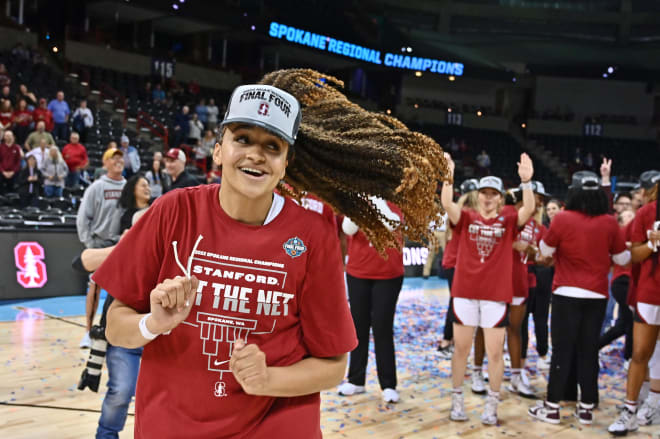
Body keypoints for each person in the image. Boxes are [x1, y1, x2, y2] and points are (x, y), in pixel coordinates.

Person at [92, 69, 448, 438]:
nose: (256, 155)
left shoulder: (312, 236)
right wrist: (153, 323)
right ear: (218, 149)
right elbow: (117, 326)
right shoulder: (172, 211)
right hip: (172, 425)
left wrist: (267, 379)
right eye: (242, 138)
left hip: (274, 425)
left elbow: (333, 366)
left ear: (286, 163)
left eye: (272, 146)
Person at [528, 171, 629, 426]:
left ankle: (552, 408)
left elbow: (545, 251)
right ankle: (586, 409)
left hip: (565, 293)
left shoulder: (562, 219)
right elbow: (622, 260)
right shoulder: (609, 222)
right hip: (596, 295)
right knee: (587, 352)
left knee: (562, 352)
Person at [441, 152, 535, 425]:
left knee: (495, 353)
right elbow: (447, 203)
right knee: (461, 349)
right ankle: (457, 399)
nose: (489, 197)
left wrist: (527, 182)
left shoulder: (507, 220)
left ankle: (492, 405)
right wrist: (449, 175)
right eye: (484, 192)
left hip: (495, 296)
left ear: (501, 198)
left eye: (494, 193)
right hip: (465, 293)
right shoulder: (467, 217)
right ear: (478, 195)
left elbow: (528, 210)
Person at [94, 175, 151, 439]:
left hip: (155, 338)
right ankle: (106, 435)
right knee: (121, 391)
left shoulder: (172, 256)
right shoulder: (123, 252)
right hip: (125, 338)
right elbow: (87, 267)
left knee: (151, 397)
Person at [608, 170, 660, 435]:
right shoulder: (647, 213)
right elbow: (634, 255)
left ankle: (653, 402)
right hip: (650, 290)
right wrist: (652, 245)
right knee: (640, 353)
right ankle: (630, 409)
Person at [338, 199, 404, 403]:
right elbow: (348, 228)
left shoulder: (399, 201)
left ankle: (388, 384)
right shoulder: (356, 201)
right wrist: (361, 202)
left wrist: (375, 200)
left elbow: (392, 223)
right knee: (358, 327)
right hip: (358, 272)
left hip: (388, 274)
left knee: (382, 328)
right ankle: (356, 380)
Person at [436, 179, 478, 359]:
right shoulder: (468, 214)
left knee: (457, 302)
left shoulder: (458, 211)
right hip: (458, 263)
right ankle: (447, 341)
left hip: (453, 262)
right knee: (458, 302)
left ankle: (450, 340)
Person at [598, 207, 635, 364]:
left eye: (632, 215)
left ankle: (594, 346)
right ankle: (629, 357)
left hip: (632, 283)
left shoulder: (632, 232)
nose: (631, 218)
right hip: (622, 281)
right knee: (630, 321)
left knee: (622, 324)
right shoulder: (620, 234)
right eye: (627, 216)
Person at [76, 147, 126, 249]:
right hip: (100, 243)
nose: (118, 161)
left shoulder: (129, 187)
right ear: (105, 163)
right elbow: (83, 217)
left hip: (123, 243)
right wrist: (89, 243)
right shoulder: (96, 187)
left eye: (120, 158)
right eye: (114, 158)